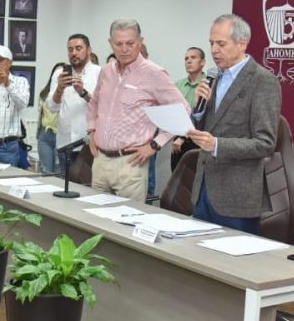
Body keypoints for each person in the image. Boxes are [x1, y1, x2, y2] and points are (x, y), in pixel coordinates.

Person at [187, 14, 282, 233]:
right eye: (211, 43)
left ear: (242, 44)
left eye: (221, 44)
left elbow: (265, 143)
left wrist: (217, 145)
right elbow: (207, 129)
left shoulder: (263, 81)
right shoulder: (213, 77)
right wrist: (198, 111)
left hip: (237, 198)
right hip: (203, 190)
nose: (214, 50)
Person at [87, 20, 187, 202]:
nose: (124, 49)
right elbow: (94, 103)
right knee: (93, 218)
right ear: (110, 43)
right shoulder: (106, 71)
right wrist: (91, 131)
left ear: (140, 42)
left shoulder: (154, 73)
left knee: (126, 219)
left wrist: (155, 145)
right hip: (100, 160)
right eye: (118, 44)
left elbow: (183, 111)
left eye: (130, 43)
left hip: (131, 164)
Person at [46, 33, 100, 168]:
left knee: (89, 182)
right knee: (65, 181)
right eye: (70, 49)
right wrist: (59, 89)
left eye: (78, 48)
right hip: (66, 144)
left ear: (89, 50)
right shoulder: (59, 74)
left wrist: (83, 92)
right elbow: (52, 107)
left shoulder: (100, 73)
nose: (74, 53)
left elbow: (103, 107)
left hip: (90, 145)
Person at [171, 46, 207, 171]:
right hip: (177, 141)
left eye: (193, 57)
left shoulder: (208, 85)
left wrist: (183, 138)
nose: (189, 61)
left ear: (203, 62)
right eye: (186, 59)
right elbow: (173, 113)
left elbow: (205, 116)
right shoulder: (177, 85)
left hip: (199, 141)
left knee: (196, 179)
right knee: (177, 178)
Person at [36, 62, 64, 174]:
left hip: (61, 134)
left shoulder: (70, 92)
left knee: (58, 172)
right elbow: (40, 113)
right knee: (46, 171)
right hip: (45, 134)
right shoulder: (44, 92)